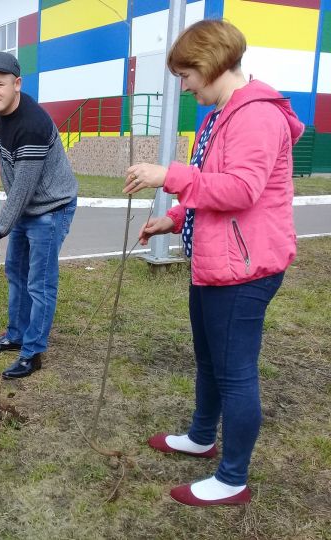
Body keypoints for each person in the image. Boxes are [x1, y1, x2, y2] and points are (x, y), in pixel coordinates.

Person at [123, 19, 304, 507]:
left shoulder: (256, 116)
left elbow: (242, 189)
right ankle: (202, 437)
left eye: (185, 75)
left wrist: (168, 175)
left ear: (207, 65)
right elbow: (211, 181)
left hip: (245, 268)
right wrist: (175, 218)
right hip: (214, 258)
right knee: (209, 359)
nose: (183, 85)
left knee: (236, 372)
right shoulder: (221, 114)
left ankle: (232, 479)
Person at [0, 51, 78, 380]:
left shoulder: (33, 125)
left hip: (49, 208)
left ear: (17, 84)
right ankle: (15, 334)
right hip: (26, 209)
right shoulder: (3, 108)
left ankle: (32, 352)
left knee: (39, 284)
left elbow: (22, 192)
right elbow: (3, 133)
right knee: (16, 273)